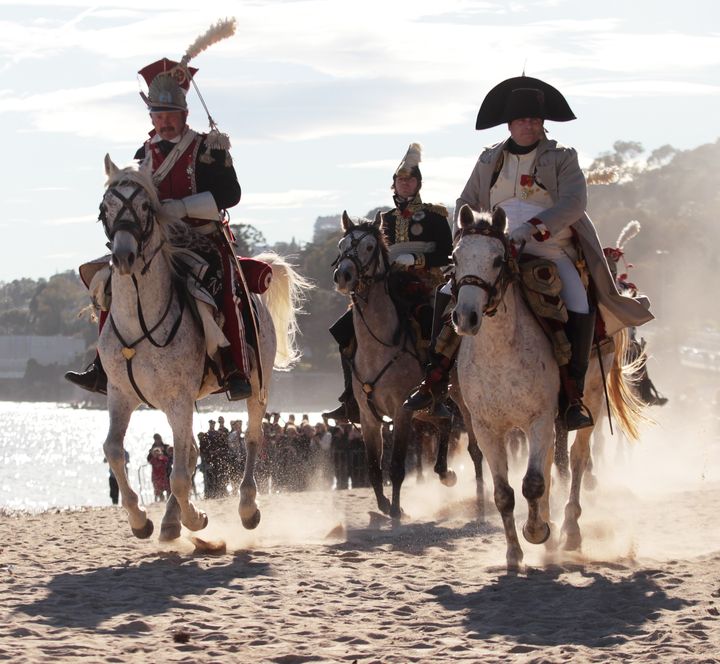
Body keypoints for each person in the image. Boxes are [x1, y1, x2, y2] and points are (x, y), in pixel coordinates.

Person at [404, 75, 653, 430]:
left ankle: (573, 394)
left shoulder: (563, 157)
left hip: (551, 246)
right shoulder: (489, 159)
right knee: (448, 292)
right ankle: (435, 383)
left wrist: (534, 228)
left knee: (580, 302)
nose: (529, 125)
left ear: (542, 123)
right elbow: (465, 200)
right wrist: (470, 233)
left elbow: (574, 202)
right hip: (496, 246)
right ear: (510, 124)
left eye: (535, 120)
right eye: (522, 120)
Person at [64, 56, 251, 401]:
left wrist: (182, 207)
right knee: (112, 283)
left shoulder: (209, 147)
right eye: (158, 116)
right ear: (151, 118)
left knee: (226, 292)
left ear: (184, 115)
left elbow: (231, 194)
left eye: (170, 116)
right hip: (158, 243)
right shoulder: (143, 153)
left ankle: (234, 367)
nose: (164, 123)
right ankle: (102, 367)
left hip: (202, 241)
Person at [322, 142, 453, 423]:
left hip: (425, 284)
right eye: (400, 180)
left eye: (410, 179)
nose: (405, 184)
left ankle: (437, 394)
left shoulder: (435, 215)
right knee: (346, 328)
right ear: (393, 185)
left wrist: (416, 262)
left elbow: (446, 253)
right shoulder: (384, 220)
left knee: (433, 329)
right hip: (389, 287)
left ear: (418, 184)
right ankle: (351, 397)